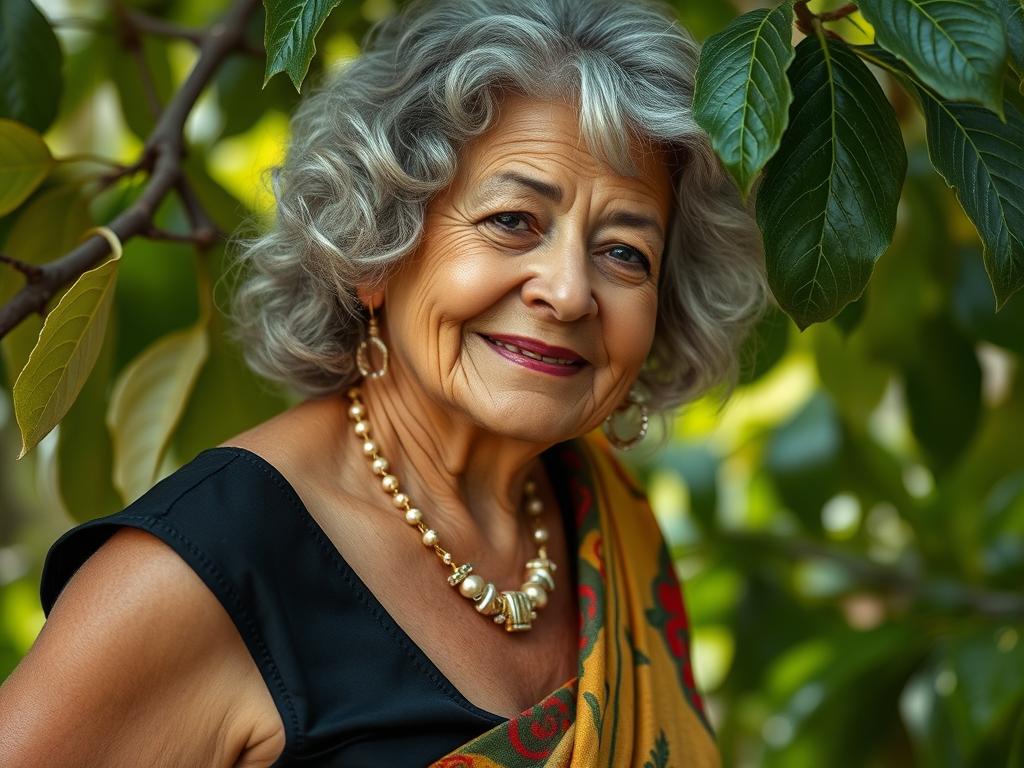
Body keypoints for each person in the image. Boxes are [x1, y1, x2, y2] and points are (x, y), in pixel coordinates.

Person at [0, 0, 766, 764]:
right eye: (512, 220)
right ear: (376, 248)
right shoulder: (196, 576)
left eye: (625, 253)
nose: (568, 292)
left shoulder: (607, 527)